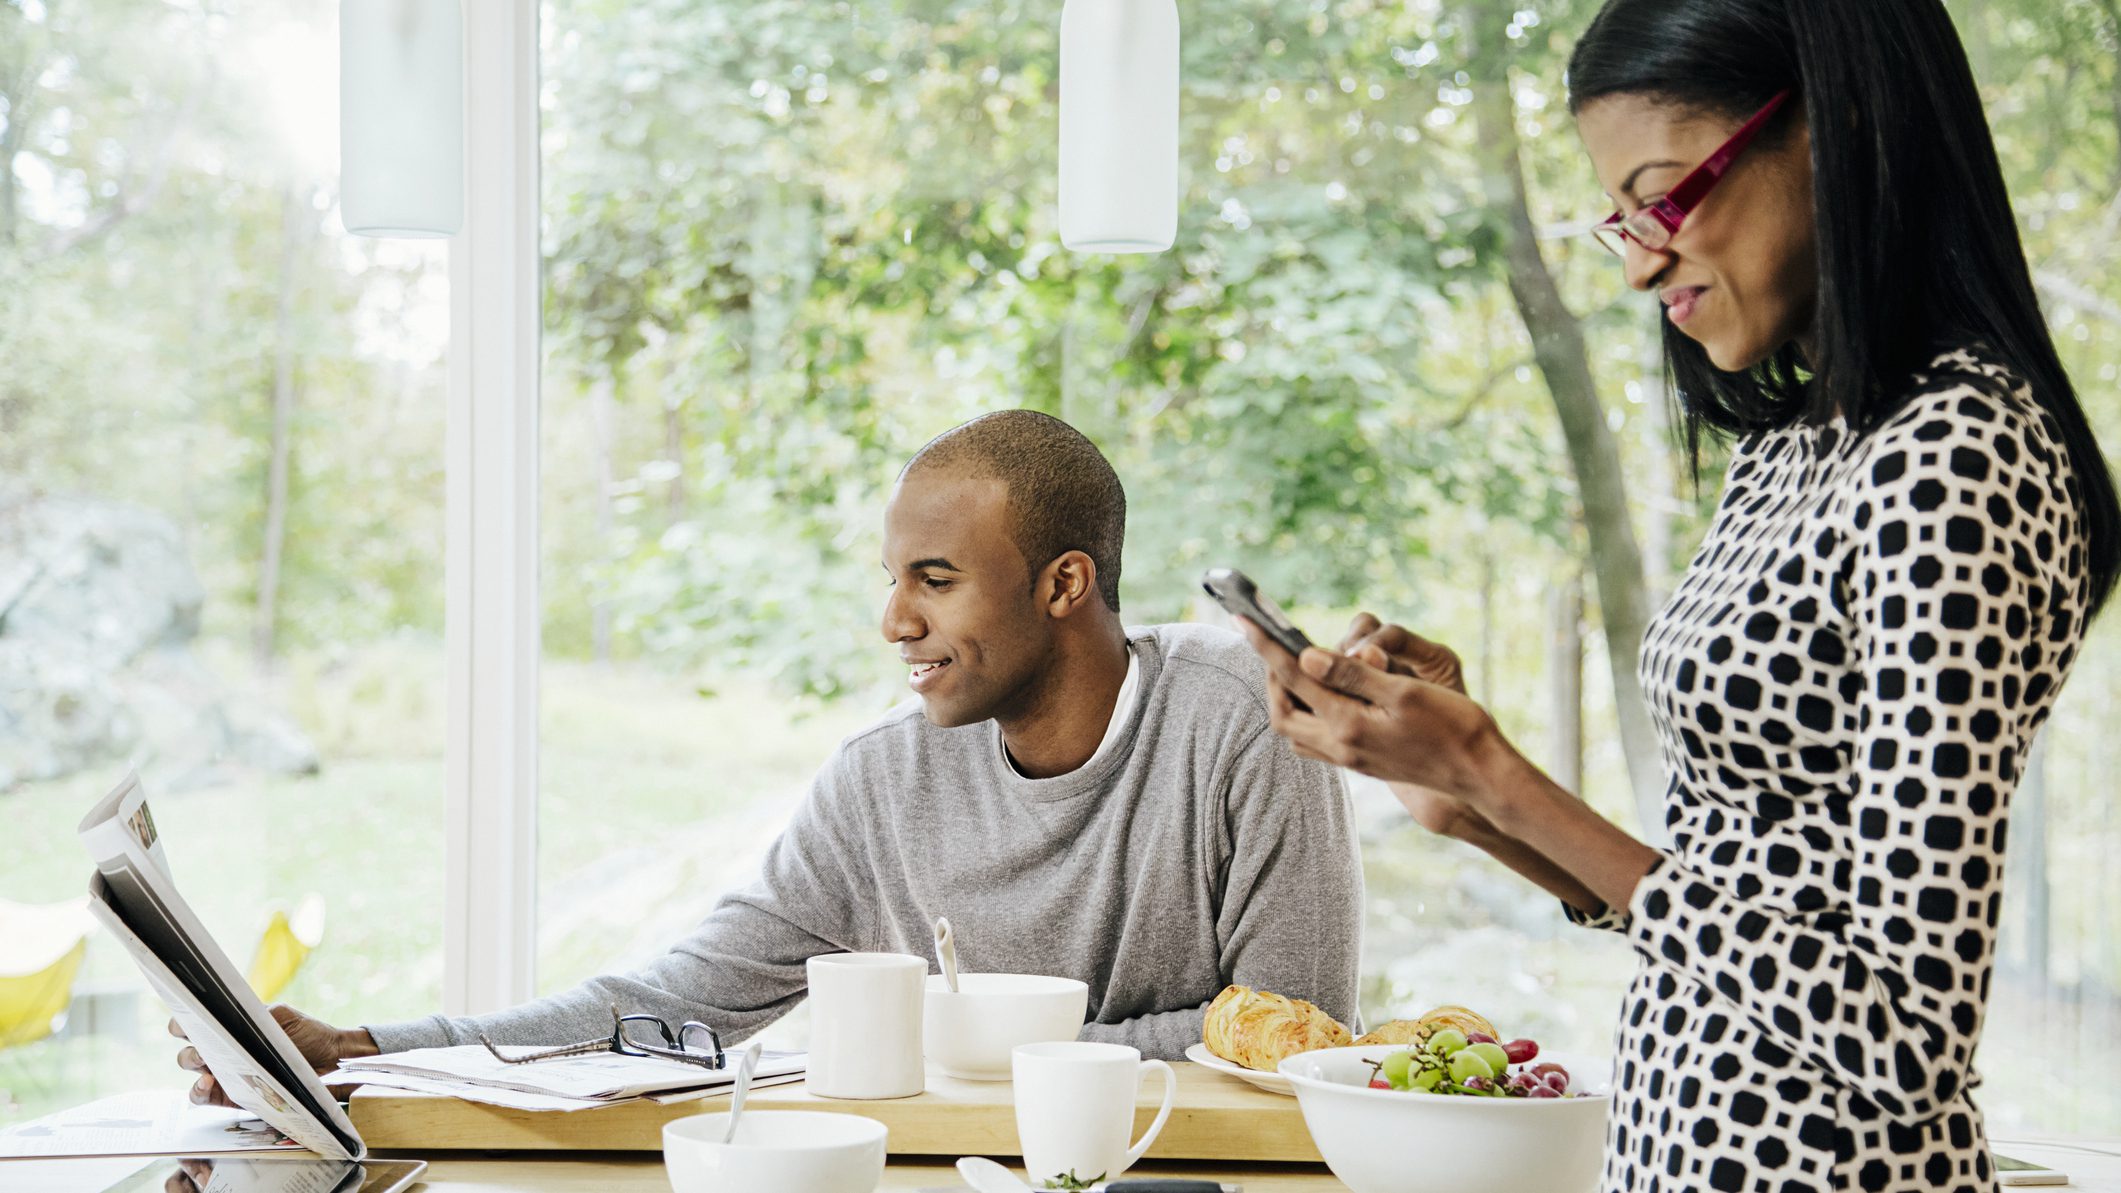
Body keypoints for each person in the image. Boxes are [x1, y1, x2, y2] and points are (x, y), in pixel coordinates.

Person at [1238, 2, 2119, 1191]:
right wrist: (1472, 804)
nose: (1643, 259)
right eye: (1621, 217)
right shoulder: (1800, 444)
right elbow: (1733, 898)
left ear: (1837, 126)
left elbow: (1909, 1040)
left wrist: (1504, 772)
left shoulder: (1953, 458)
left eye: (1665, 195)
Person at [177, 410, 1361, 1105]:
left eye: (934, 580)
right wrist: (368, 1051)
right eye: (892, 578)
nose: (894, 620)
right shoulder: (884, 779)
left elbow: (1294, 1026)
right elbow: (677, 1008)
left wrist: (944, 1045)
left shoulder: (1246, 718)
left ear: (1064, 583)